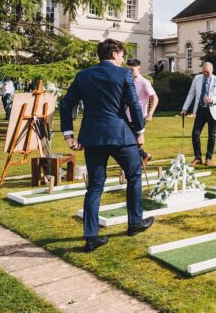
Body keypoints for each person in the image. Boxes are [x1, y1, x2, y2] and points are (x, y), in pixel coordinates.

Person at [60, 39, 153, 252]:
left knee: (95, 186)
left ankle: (91, 237)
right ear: (113, 53)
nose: (123, 59)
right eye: (121, 55)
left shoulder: (83, 75)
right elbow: (134, 105)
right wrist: (140, 131)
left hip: (92, 137)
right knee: (134, 176)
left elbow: (66, 104)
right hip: (122, 136)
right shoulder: (123, 75)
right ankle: (135, 223)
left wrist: (69, 135)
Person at [181, 62, 216, 166]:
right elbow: (191, 93)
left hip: (212, 110)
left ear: (212, 70)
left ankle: (208, 158)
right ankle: (198, 157)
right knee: (195, 133)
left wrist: (212, 100)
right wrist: (185, 108)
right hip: (200, 110)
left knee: (212, 135)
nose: (205, 74)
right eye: (204, 71)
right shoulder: (197, 78)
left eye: (207, 72)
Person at [126, 59, 159, 166]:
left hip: (139, 117)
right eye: (128, 69)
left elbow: (155, 98)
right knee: (129, 141)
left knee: (133, 142)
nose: (130, 72)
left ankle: (139, 160)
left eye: (132, 69)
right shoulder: (128, 81)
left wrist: (150, 113)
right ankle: (144, 156)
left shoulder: (144, 82)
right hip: (127, 116)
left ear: (139, 69)